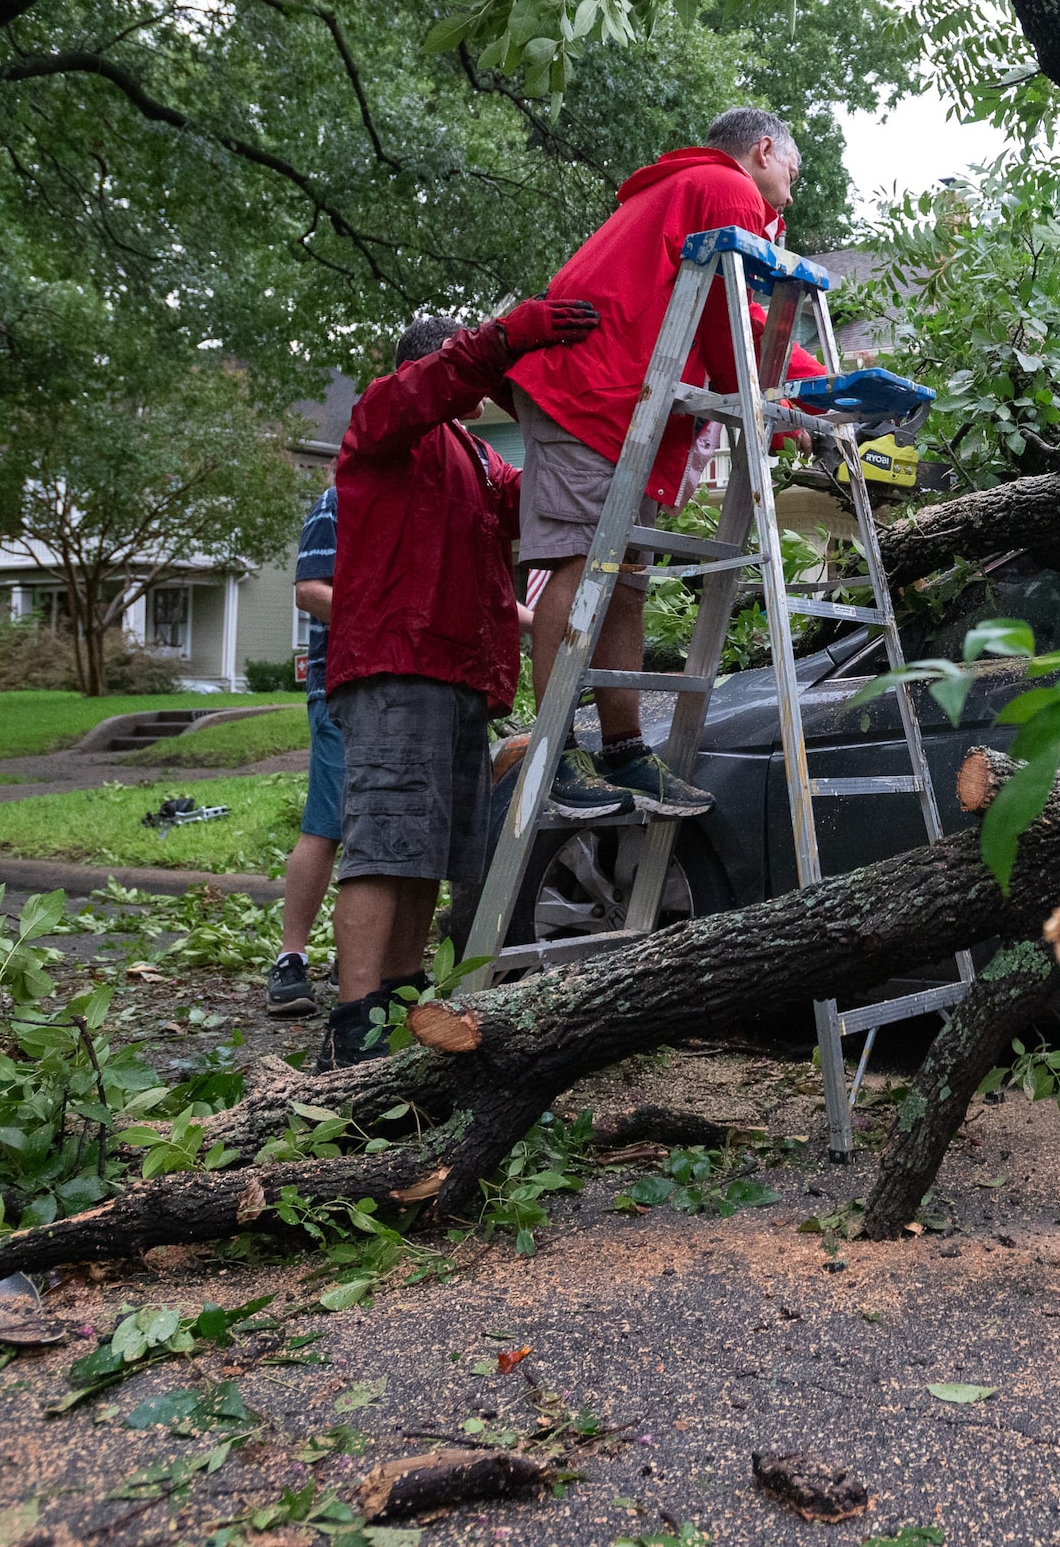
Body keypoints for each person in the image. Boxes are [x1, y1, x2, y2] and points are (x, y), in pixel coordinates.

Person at [503, 106, 826, 820]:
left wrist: (796, 389)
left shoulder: (688, 190)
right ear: (763, 150)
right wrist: (795, 394)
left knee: (624, 577)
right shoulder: (725, 187)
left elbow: (726, 315)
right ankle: (554, 750)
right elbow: (729, 320)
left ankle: (623, 749)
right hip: (590, 391)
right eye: (792, 176)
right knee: (581, 560)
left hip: (623, 402)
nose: (791, 196)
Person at [322, 300, 592, 1067]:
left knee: (425, 852)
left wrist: (564, 418)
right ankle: (352, 1025)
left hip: (455, 674)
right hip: (396, 667)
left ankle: (397, 1002)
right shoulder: (386, 414)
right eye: (474, 365)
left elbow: (528, 502)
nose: (485, 378)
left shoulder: (475, 455)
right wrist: (509, 336)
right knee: (382, 845)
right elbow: (427, 387)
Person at [266, 483, 339, 1020]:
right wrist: (391, 619)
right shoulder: (337, 499)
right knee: (327, 823)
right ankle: (290, 958)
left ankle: (363, 955)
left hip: (403, 687)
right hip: (338, 685)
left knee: (381, 826)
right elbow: (309, 590)